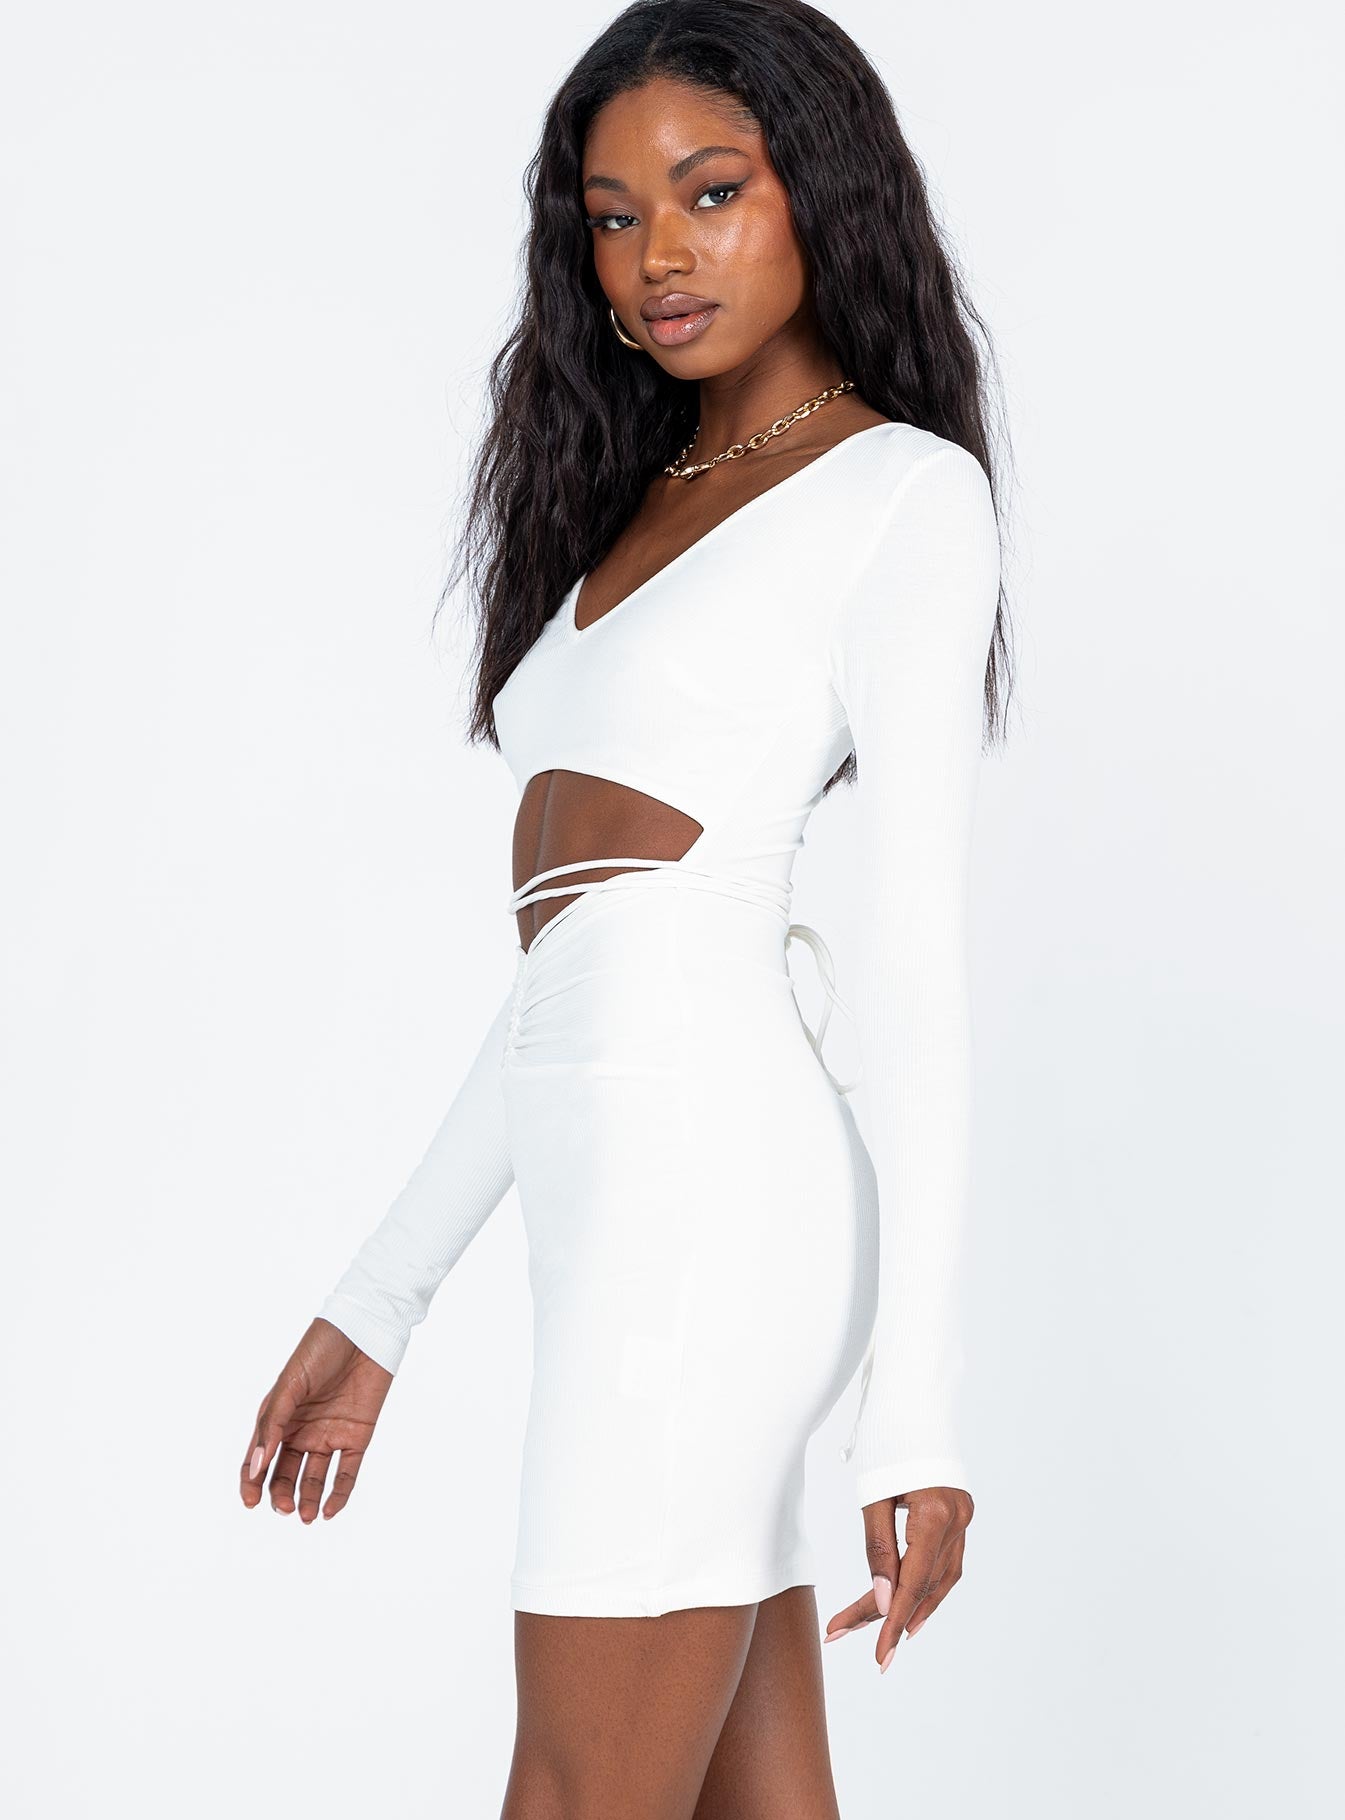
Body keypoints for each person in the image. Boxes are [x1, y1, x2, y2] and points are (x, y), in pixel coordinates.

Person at [239, 1, 1014, 1811]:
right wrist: (382, 1296)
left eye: (710, 191)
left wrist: (915, 1412)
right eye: (611, 215)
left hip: (714, 1222)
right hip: (627, 1213)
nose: (658, 253)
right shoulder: (628, 505)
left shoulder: (899, 496)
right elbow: (574, 972)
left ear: (821, 189)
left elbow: (915, 977)